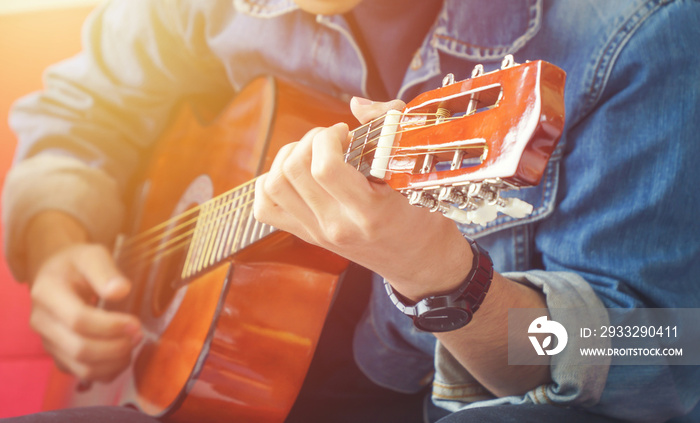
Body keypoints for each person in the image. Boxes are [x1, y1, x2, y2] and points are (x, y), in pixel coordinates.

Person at [2, 0, 699, 422]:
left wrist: (444, 281)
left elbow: (667, 349)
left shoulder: (640, 30)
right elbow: (82, 108)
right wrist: (56, 236)